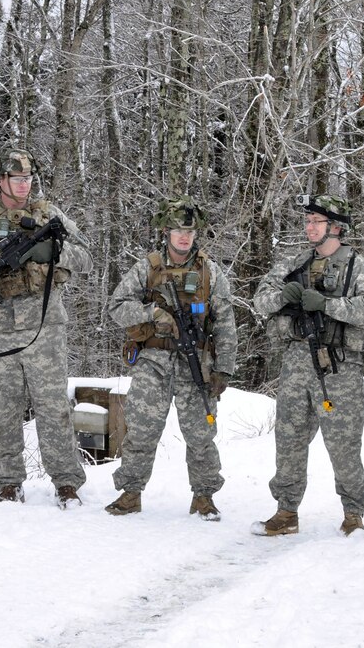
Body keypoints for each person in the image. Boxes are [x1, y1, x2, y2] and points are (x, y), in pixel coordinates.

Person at [0, 148, 92, 507]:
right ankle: (8, 483)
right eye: (17, 178)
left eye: (28, 178)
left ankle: (66, 483)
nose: (24, 184)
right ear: (1, 181)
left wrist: (52, 252)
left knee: (53, 406)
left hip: (44, 327)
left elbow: (86, 256)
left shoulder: (49, 215)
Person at [251, 194, 364, 537]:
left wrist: (328, 305)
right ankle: (286, 510)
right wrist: (283, 296)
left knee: (343, 444)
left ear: (335, 227)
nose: (309, 227)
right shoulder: (294, 263)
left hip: (338, 368)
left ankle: (353, 513)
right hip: (296, 365)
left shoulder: (357, 266)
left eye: (316, 222)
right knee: (289, 438)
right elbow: (261, 299)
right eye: (307, 222)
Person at [105, 197, 237, 519]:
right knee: (142, 428)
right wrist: (153, 313)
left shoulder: (210, 272)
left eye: (190, 232)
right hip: (154, 360)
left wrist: (224, 370)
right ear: (166, 231)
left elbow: (225, 321)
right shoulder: (147, 268)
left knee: (201, 433)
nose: (184, 237)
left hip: (196, 364)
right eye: (178, 230)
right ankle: (131, 493)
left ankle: (204, 496)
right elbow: (116, 307)